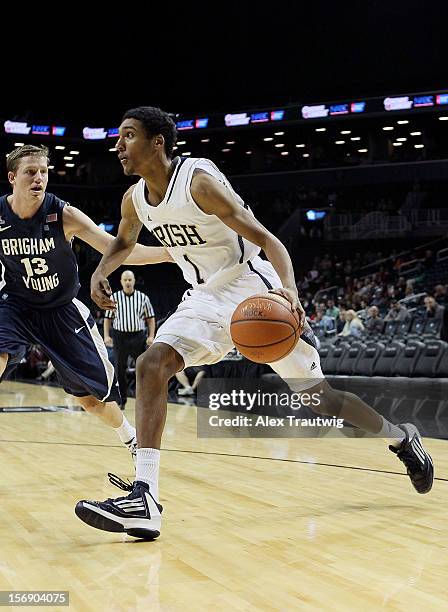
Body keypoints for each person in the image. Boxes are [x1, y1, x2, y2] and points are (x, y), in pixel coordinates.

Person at [75, 107, 433, 541]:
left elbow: (269, 240)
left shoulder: (198, 183)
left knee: (322, 401)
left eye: (128, 136)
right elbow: (123, 243)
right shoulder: (133, 200)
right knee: (152, 365)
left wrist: (291, 294)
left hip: (253, 293)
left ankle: (400, 437)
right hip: (203, 298)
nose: (118, 146)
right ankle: (145, 496)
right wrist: (100, 271)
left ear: (158, 143)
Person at [0, 144, 172, 467]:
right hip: (17, 305)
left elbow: (116, 249)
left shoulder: (63, 215)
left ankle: (131, 438)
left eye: (44, 172)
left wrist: (166, 253)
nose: (39, 178)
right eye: (30, 172)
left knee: (92, 402)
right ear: (12, 178)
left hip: (61, 312)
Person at [104, 270, 155, 409]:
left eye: (130, 279)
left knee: (142, 368)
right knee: (119, 369)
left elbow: (150, 319)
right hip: (120, 336)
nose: (127, 282)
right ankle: (122, 400)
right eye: (125, 280)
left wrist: (151, 336)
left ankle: (143, 400)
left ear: (134, 281)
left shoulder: (143, 298)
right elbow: (107, 319)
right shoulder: (114, 298)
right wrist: (106, 336)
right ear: (121, 281)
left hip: (138, 336)